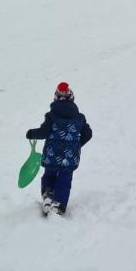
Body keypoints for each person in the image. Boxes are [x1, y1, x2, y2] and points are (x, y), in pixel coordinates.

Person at [25, 82, 92, 215]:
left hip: (52, 154)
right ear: (72, 98)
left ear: (55, 98)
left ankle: (48, 196)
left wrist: (31, 133)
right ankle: (58, 206)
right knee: (64, 180)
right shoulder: (79, 118)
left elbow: (44, 132)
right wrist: (76, 145)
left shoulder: (51, 117)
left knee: (49, 174)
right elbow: (88, 134)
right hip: (69, 157)